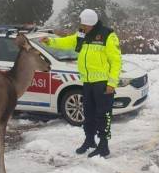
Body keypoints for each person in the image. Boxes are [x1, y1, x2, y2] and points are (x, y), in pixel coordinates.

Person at [40, 9, 121, 158]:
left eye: (84, 23)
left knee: (103, 115)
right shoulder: (82, 34)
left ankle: (104, 146)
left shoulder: (108, 35)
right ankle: (90, 140)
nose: (82, 26)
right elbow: (68, 41)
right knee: (88, 114)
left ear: (91, 23)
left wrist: (112, 83)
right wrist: (51, 41)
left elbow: (116, 61)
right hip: (87, 82)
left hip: (103, 83)